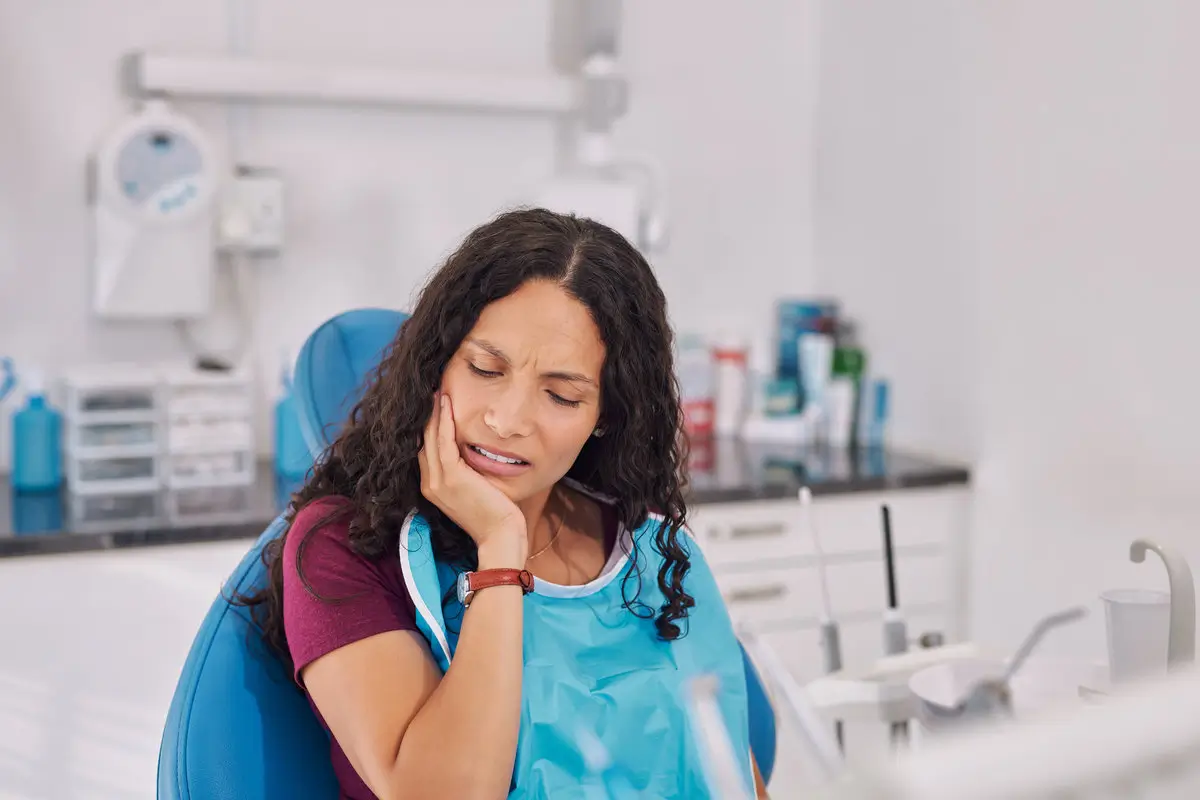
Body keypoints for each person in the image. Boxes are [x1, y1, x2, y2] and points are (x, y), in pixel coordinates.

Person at [240, 208, 769, 799]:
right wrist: (499, 551)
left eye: (562, 396)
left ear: (605, 417)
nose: (507, 420)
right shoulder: (345, 547)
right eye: (486, 368)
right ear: (436, 362)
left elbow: (732, 777)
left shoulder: (655, 557)